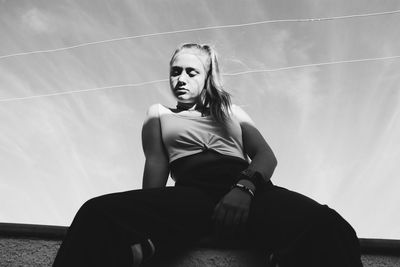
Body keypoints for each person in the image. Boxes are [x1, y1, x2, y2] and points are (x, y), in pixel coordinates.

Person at [52, 43, 363, 267]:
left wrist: (245, 188)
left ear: (206, 77)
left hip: (248, 189)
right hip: (193, 192)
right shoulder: (158, 113)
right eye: (175, 72)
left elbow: (266, 156)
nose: (181, 79)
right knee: (96, 213)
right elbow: (156, 167)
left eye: (191, 72)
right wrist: (149, 225)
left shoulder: (232, 112)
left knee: (331, 227)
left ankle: (282, 257)